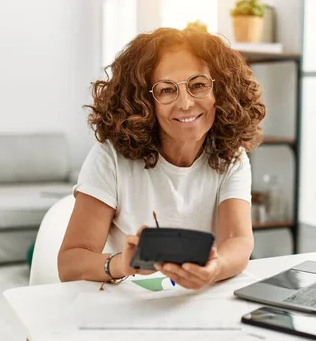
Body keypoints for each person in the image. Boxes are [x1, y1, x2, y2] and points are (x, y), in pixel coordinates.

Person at [57, 27, 265, 290]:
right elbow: (70, 262)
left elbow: (237, 240)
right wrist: (121, 263)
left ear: (221, 91)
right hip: (125, 303)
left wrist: (215, 269)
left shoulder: (230, 155)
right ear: (144, 101)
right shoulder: (111, 157)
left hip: (193, 302)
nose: (186, 103)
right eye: (167, 90)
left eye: (198, 85)